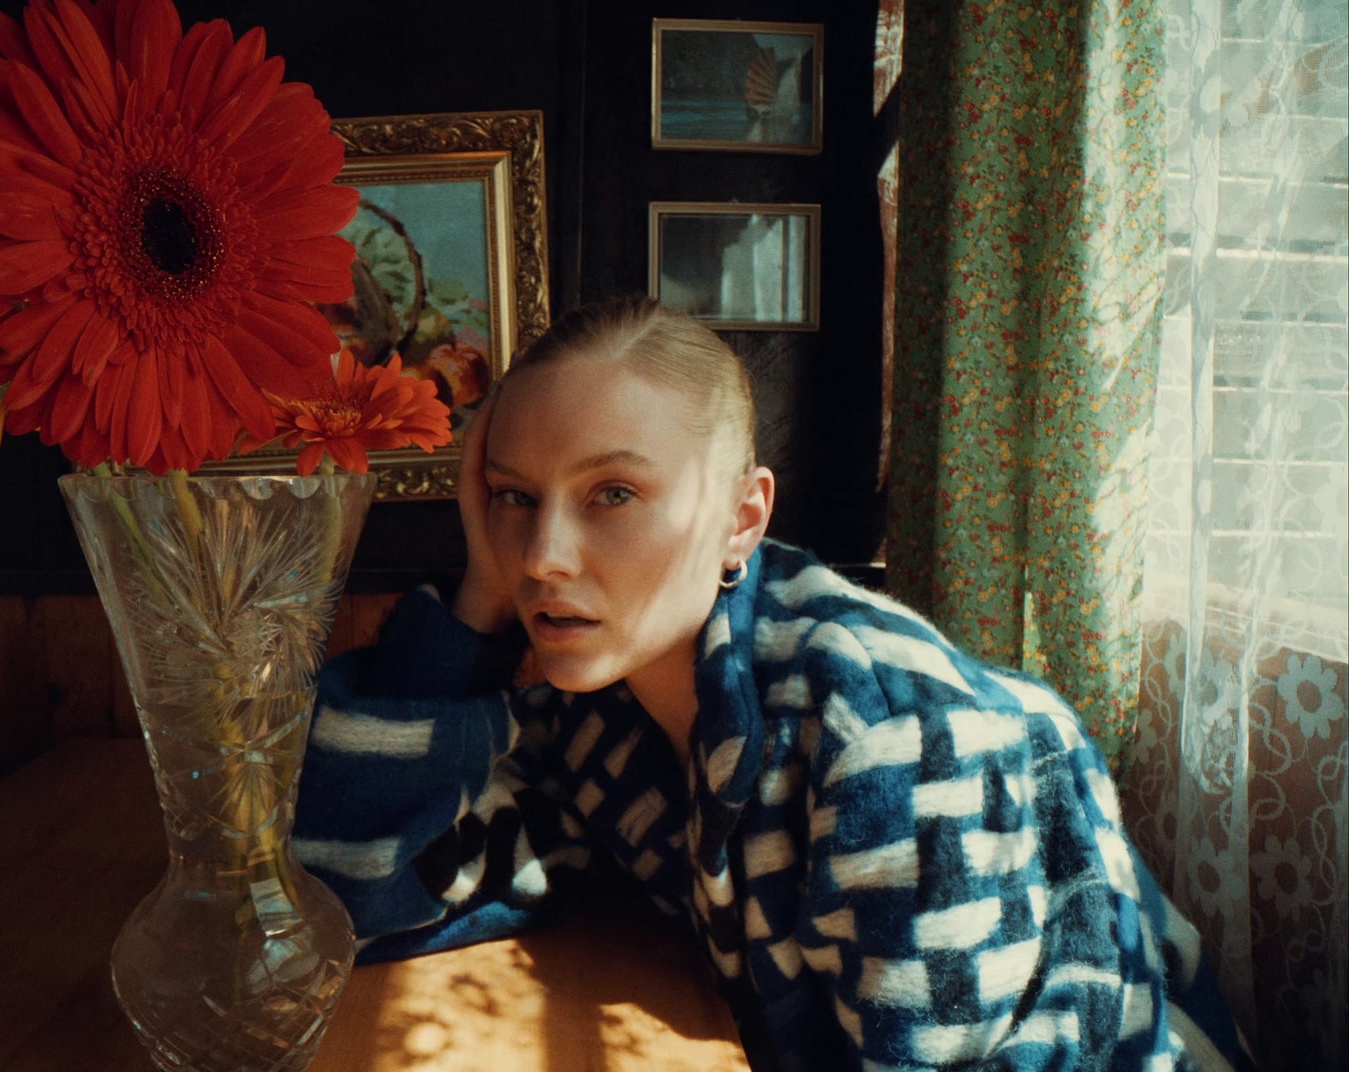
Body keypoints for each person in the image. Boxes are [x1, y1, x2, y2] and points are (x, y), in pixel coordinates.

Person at [292, 297, 1253, 1071]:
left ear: (743, 518)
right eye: (513, 498)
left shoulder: (893, 742)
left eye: (612, 495)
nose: (542, 557)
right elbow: (347, 897)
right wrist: (474, 595)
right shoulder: (591, 704)